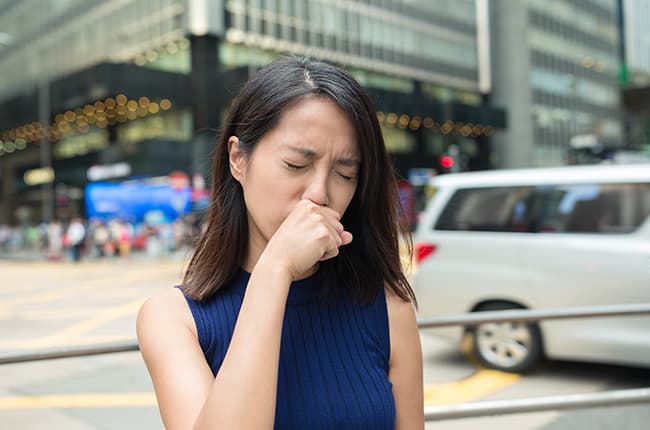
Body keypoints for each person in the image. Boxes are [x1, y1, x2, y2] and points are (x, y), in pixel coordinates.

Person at [137, 56, 423, 429]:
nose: (319, 194)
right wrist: (275, 269)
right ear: (238, 159)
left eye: (345, 173)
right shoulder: (174, 318)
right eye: (295, 165)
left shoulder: (388, 309)